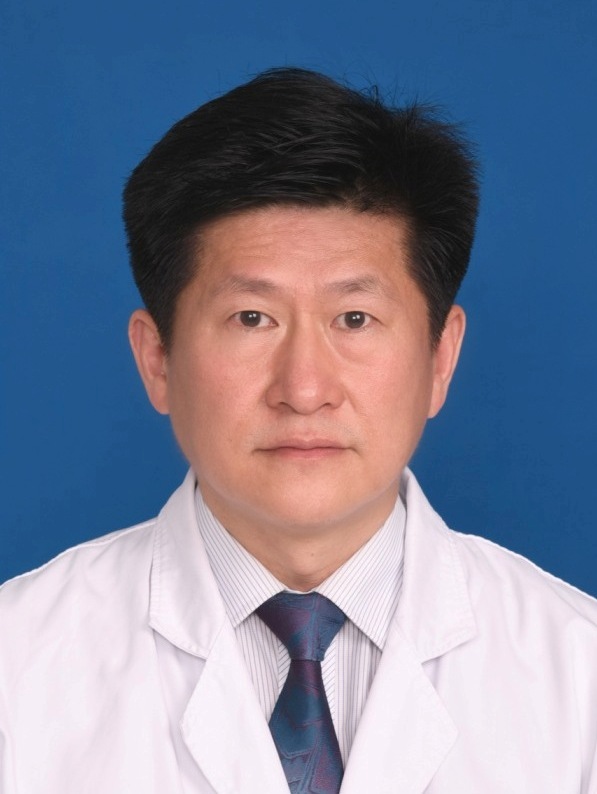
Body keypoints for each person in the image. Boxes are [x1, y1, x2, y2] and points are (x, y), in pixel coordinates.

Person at [0, 67, 595, 794]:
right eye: (252, 318)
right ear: (157, 359)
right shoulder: (16, 669)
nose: (305, 390)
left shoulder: (579, 675)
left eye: (355, 318)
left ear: (440, 358)